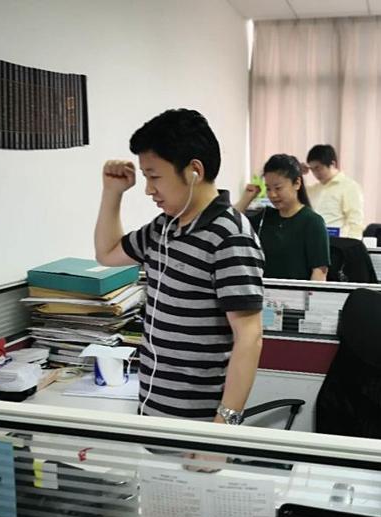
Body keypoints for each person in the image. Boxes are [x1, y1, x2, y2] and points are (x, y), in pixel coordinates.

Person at [94, 109, 264, 426]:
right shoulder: (164, 227)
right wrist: (112, 192)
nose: (148, 189)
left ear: (194, 171)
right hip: (153, 412)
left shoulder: (230, 236)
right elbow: (107, 253)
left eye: (154, 176)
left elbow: (250, 337)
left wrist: (223, 427)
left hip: (198, 424)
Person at [235, 154, 330, 281]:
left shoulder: (313, 222)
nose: (272, 195)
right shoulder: (264, 217)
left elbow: (319, 272)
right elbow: (229, 223)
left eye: (278, 188)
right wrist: (246, 198)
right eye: (268, 189)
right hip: (264, 291)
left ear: (297, 183)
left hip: (297, 292)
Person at [305, 144, 365, 239]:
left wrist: (353, 244)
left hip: (338, 242)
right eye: (312, 169)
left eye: (318, 168)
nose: (315, 173)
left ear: (332, 164)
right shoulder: (313, 189)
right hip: (314, 240)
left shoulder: (349, 187)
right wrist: (298, 172)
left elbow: (356, 222)